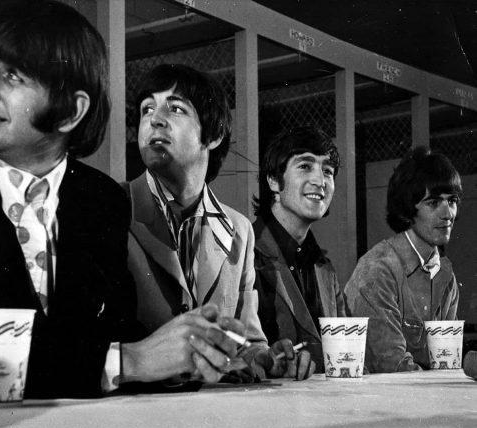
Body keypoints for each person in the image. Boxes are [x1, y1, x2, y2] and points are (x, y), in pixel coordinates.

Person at [0, 2, 244, 404]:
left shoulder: (101, 200)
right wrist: (129, 362)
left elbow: (108, 332)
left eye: (12, 76)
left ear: (71, 110)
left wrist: (192, 351)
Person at [123, 64, 315, 382]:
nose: (154, 119)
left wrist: (268, 358)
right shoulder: (112, 209)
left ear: (212, 136)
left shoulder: (239, 229)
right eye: (147, 109)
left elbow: (247, 344)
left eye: (175, 108)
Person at [344, 147, 462, 373]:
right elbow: (392, 366)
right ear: (408, 209)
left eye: (453, 200)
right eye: (434, 202)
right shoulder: (378, 269)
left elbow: (447, 363)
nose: (448, 213)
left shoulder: (446, 275)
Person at [252, 126, 346, 372]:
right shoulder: (245, 253)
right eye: (305, 166)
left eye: (328, 171)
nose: (320, 181)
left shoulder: (325, 268)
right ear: (273, 180)